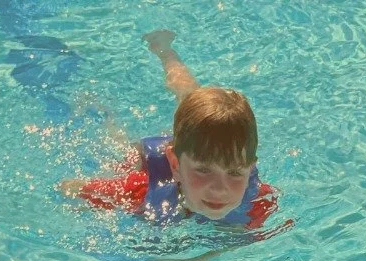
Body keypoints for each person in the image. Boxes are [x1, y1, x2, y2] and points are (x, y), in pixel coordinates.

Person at [58, 31, 279, 235]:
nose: (219, 189)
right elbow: (70, 188)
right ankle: (160, 54)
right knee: (119, 148)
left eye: (234, 173)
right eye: (203, 170)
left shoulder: (261, 201)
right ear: (174, 165)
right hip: (149, 157)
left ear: (249, 169)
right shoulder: (139, 191)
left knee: (191, 100)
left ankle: (165, 50)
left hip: (194, 148)